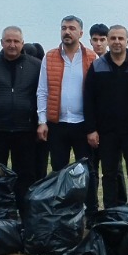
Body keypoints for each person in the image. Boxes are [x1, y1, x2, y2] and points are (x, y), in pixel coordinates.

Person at [0, 26, 45, 198]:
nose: (12, 45)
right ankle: (0, 210)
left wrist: (41, 122)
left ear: (22, 43)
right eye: (8, 41)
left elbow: (42, 95)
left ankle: (24, 210)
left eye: (16, 41)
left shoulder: (35, 66)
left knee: (25, 173)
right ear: (1, 43)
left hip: (25, 129)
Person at [84, 24, 128, 208]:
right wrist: (91, 129)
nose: (117, 42)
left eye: (120, 38)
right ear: (108, 41)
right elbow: (89, 99)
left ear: (127, 40)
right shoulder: (97, 66)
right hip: (106, 132)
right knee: (109, 174)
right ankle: (110, 211)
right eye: (113, 38)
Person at [38, 16, 98, 192]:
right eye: (64, 28)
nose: (67, 32)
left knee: (87, 170)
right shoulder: (49, 57)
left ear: (80, 33)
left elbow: (96, 93)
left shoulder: (92, 57)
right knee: (58, 170)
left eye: (72, 28)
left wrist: (94, 126)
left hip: (83, 123)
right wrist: (42, 121)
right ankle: (60, 211)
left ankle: (91, 211)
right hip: (57, 124)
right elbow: (42, 91)